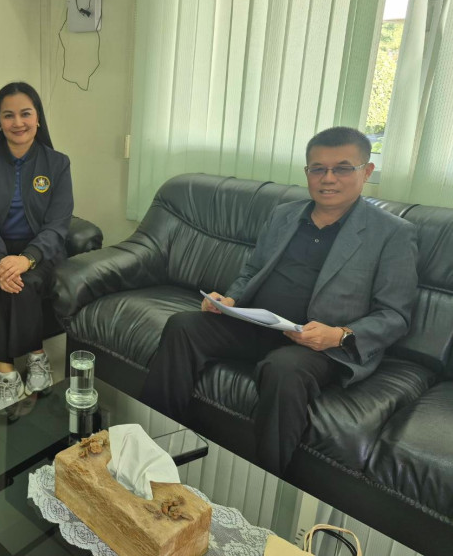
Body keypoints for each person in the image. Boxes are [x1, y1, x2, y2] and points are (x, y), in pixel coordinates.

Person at [141, 127, 419, 475]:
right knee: (183, 325)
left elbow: (395, 314)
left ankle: (267, 478)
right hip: (259, 323)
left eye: (342, 168)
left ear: (366, 172)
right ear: (307, 172)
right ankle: (152, 446)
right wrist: (230, 299)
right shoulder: (285, 215)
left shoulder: (393, 233)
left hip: (319, 344)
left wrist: (338, 335)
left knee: (283, 370)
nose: (328, 178)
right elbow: (252, 270)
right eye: (317, 169)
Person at [0, 81, 74, 413]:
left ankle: (37, 358)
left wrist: (28, 258)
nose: (18, 122)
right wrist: (1, 260)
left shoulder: (57, 163)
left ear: (38, 118)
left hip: (40, 249)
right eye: (8, 115)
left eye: (25, 114)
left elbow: (58, 222)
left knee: (26, 280)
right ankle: (6, 375)